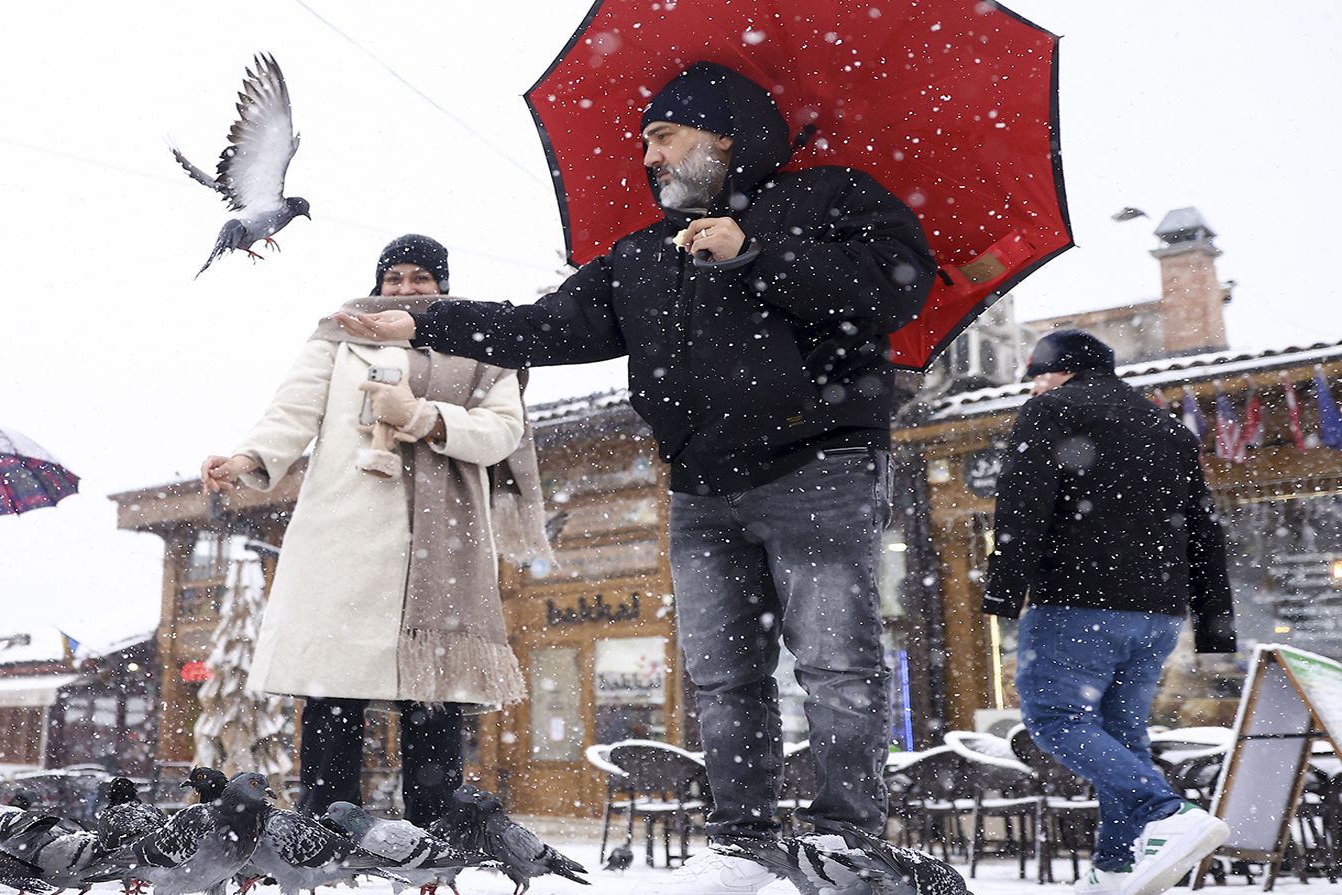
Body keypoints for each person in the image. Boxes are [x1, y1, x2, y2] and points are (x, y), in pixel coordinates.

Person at [337, 62, 934, 891]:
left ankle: (843, 840)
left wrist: (755, 251)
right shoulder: (643, 254)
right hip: (698, 487)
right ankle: (743, 842)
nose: (648, 156)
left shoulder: (828, 198)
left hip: (821, 465)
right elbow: (543, 325)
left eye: (662, 136)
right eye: (645, 142)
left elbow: (895, 289)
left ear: (720, 133)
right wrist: (429, 319)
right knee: (724, 675)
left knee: (837, 662)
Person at [201, 234, 549, 826]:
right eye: (396, 279)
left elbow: (502, 432)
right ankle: (326, 832)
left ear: (443, 284)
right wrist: (245, 460)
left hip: (445, 544)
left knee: (432, 699)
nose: (407, 289)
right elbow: (293, 410)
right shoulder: (340, 334)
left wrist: (424, 418)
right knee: (334, 691)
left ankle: (431, 842)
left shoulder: (484, 344)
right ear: (378, 283)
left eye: (421, 279)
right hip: (347, 535)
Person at [982, 329, 1235, 895]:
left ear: (1057, 371)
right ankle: (1115, 870)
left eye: (1036, 375)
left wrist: (1002, 593)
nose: (1033, 386)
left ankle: (1168, 814)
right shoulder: (1169, 428)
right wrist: (1215, 622)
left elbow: (1022, 505)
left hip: (1078, 601)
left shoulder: (1049, 411)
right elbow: (1203, 528)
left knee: (1054, 720)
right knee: (1123, 735)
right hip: (1159, 613)